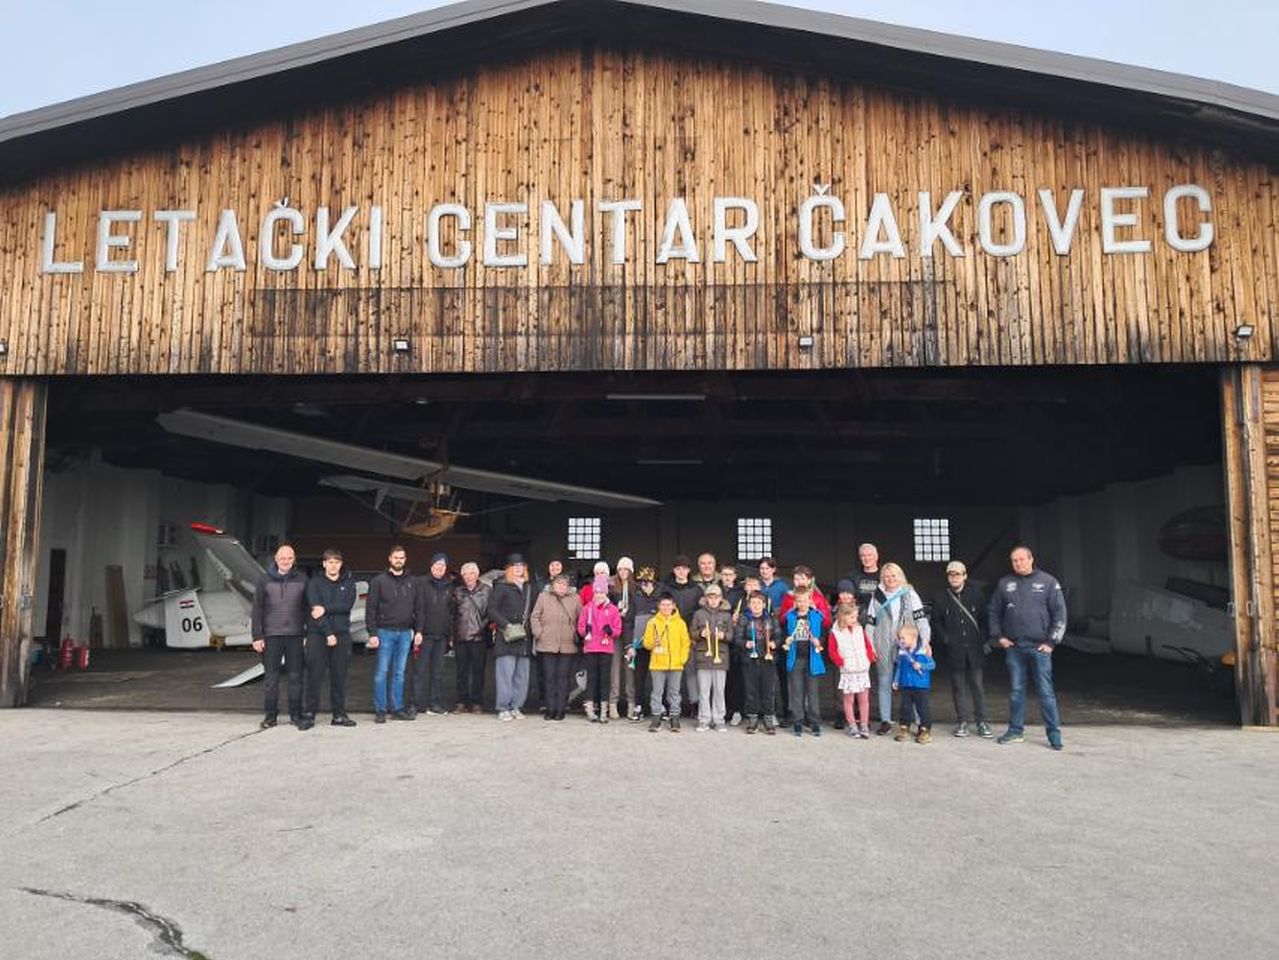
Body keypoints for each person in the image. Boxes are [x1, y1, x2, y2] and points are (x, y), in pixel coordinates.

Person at [988, 546, 1067, 750]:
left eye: (1022, 559)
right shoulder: (1005, 583)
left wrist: (1051, 642)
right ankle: (1015, 730)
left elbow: (1060, 614)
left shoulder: (1049, 582)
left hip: (1040, 648)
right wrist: (999, 637)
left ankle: (1054, 734)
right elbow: (993, 611)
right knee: (1016, 691)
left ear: (1031, 559)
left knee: (1045, 692)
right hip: (1014, 648)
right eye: (1015, 560)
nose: (1019, 563)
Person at [865, 562, 930, 735]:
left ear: (900, 575)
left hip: (908, 643)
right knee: (885, 681)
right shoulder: (877, 596)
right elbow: (870, 623)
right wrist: (870, 646)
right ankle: (886, 720)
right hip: (883, 642)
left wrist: (924, 643)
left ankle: (919, 722)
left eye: (893, 575)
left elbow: (921, 620)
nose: (890, 579)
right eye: (886, 576)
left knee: (912, 683)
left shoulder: (910, 593)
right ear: (882, 578)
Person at [250, 543, 309, 729]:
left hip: (295, 635)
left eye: (290, 558)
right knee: (271, 678)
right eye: (282, 558)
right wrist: (257, 636)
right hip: (271, 635)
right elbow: (257, 608)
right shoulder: (264, 579)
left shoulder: (303, 579)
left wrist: (307, 633)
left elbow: (308, 607)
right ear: (276, 559)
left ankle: (296, 715)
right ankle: (270, 716)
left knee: (295, 677)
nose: (286, 561)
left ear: (294, 560)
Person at [931, 560, 992, 738]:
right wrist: (946, 639)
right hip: (954, 650)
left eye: (958, 574)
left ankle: (982, 722)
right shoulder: (941, 596)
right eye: (951, 574)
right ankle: (962, 722)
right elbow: (936, 622)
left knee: (977, 686)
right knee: (958, 687)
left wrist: (983, 639)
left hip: (975, 649)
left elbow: (985, 618)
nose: (954, 577)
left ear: (965, 576)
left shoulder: (976, 594)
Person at [301, 548, 358, 729]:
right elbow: (315, 611)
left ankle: (339, 714)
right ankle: (309, 714)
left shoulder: (349, 583)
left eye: (337, 562)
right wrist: (328, 633)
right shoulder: (314, 583)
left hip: (342, 635)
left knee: (339, 677)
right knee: (314, 676)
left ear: (340, 564)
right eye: (330, 562)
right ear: (324, 564)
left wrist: (326, 608)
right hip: (318, 635)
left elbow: (346, 606)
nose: (333, 565)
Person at [365, 545, 417, 723]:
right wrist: (372, 633)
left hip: (404, 633)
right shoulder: (378, 581)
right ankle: (380, 709)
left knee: (399, 673)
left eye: (402, 558)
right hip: (384, 632)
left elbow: (418, 607)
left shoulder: (412, 581)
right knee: (382, 672)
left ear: (405, 559)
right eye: (396, 557)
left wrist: (417, 631)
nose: (399, 561)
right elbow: (370, 609)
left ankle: (397, 708)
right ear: (389, 559)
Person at [489, 554, 535, 721]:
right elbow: (492, 610)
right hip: (506, 636)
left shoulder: (530, 588)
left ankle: (516, 706)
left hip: (524, 637)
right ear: (509, 569)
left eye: (521, 566)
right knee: (505, 674)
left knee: (522, 676)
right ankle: (503, 707)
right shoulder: (501, 587)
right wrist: (506, 625)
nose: (518, 568)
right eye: (515, 566)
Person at [408, 551, 454, 718]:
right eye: (437, 565)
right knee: (419, 671)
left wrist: (450, 635)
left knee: (438, 672)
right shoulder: (421, 583)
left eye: (443, 565)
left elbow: (450, 612)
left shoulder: (449, 585)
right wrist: (418, 630)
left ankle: (434, 704)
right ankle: (414, 704)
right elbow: (418, 608)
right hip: (425, 635)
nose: (439, 568)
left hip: (441, 636)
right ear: (431, 566)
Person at [530, 573, 581, 721]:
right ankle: (550, 708)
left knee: (563, 678)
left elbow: (581, 618)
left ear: (568, 586)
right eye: (558, 584)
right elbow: (535, 616)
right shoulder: (543, 597)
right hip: (546, 643)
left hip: (567, 644)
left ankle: (561, 708)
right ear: (553, 585)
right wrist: (538, 633)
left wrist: (576, 632)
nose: (561, 586)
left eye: (564, 584)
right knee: (549, 677)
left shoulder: (575, 599)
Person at [641, 592, 691, 733]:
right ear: (659, 606)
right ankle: (656, 717)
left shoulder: (680, 623)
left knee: (674, 692)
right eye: (663, 604)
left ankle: (674, 717)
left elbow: (685, 643)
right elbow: (646, 643)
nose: (665, 607)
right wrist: (653, 643)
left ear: (673, 605)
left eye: (668, 604)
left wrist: (682, 659)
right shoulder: (653, 622)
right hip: (657, 663)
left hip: (676, 663)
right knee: (657, 692)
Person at [781, 587, 827, 737]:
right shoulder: (790, 617)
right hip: (796, 658)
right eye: (799, 600)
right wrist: (786, 639)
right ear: (795, 601)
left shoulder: (816, 616)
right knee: (796, 693)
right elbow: (784, 634)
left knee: (813, 693)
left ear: (810, 600)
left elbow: (824, 635)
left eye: (805, 600)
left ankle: (815, 723)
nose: (802, 603)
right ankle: (798, 722)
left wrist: (818, 641)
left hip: (812, 658)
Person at [733, 590, 779, 734]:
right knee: (751, 691)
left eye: (759, 603)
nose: (756, 605)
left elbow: (779, 636)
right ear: (749, 604)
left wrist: (774, 644)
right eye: (753, 603)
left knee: (768, 691)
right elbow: (737, 639)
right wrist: (744, 644)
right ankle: (752, 719)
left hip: (767, 660)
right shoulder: (744, 619)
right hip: (749, 660)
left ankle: (768, 719)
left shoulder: (771, 619)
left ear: (764, 604)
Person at [689, 582, 734, 732]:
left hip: (721, 657)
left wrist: (724, 635)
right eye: (710, 597)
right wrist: (700, 634)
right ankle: (704, 719)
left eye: (716, 597)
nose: (713, 600)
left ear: (721, 598)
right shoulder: (699, 614)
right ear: (706, 598)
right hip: (704, 656)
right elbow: (692, 632)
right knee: (704, 690)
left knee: (719, 690)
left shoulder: (727, 615)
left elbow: (731, 635)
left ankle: (719, 719)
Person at [578, 574, 622, 723]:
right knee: (592, 679)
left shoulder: (613, 610)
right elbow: (581, 628)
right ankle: (590, 709)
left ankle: (604, 710)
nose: (599, 595)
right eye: (596, 592)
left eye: (602, 592)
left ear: (606, 593)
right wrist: (586, 630)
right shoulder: (586, 609)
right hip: (591, 647)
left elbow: (618, 629)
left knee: (604, 679)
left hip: (606, 648)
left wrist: (611, 632)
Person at [828, 600, 876, 738]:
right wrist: (842, 662)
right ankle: (852, 725)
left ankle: (864, 725)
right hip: (848, 670)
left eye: (856, 617)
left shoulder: (859, 629)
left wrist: (869, 658)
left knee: (864, 699)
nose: (855, 620)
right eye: (852, 617)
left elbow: (866, 644)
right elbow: (832, 652)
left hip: (862, 668)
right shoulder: (835, 632)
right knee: (848, 699)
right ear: (843, 616)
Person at [451, 562, 492, 714]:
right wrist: (451, 635)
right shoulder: (457, 591)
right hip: (460, 636)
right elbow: (452, 614)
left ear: (477, 574)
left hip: (479, 637)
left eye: (472, 573)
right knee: (461, 672)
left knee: (478, 672)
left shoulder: (487, 591)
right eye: (466, 573)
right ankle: (461, 701)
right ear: (462, 576)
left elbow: (490, 613)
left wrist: (482, 627)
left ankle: (477, 702)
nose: (469, 576)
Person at [665, 555, 702, 716]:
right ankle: (671, 705)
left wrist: (694, 634)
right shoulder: (666, 588)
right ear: (674, 570)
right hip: (670, 635)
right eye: (678, 568)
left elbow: (699, 613)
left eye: (684, 568)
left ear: (688, 570)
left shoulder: (696, 589)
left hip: (690, 635)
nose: (681, 571)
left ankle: (694, 703)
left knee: (691, 670)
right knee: (670, 671)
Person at [625, 567, 660, 721]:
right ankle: (639, 706)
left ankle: (659, 706)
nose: (646, 585)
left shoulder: (661, 598)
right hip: (639, 644)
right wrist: (629, 645)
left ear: (654, 582)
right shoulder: (635, 597)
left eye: (649, 581)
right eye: (643, 582)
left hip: (657, 644)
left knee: (658, 677)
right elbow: (628, 622)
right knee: (639, 677)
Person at [891, 622, 936, 744]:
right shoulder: (902, 652)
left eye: (903, 638)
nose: (901, 640)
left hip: (921, 685)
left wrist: (921, 665)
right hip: (906, 684)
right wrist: (896, 680)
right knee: (905, 708)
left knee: (923, 709)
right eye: (900, 638)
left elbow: (932, 665)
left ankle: (925, 730)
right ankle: (904, 728)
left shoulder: (923, 650)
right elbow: (900, 667)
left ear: (913, 638)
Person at [606, 557, 636, 721]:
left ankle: (632, 703)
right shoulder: (611, 589)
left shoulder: (635, 588)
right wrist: (615, 613)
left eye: (626, 569)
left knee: (630, 669)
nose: (623, 572)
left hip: (630, 633)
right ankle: (613, 703)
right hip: (616, 634)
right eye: (621, 569)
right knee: (614, 669)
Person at [720, 564, 746, 726]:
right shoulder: (716, 591)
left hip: (736, 639)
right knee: (723, 677)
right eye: (724, 574)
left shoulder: (741, 594)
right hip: (721, 638)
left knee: (737, 677)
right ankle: (725, 709)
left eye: (730, 574)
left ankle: (737, 709)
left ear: (735, 576)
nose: (727, 577)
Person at [849, 543, 881, 625]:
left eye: (869, 555)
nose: (866, 558)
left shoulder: (885, 574)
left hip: (880, 617)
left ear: (876, 557)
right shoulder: (853, 576)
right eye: (863, 556)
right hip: (859, 619)